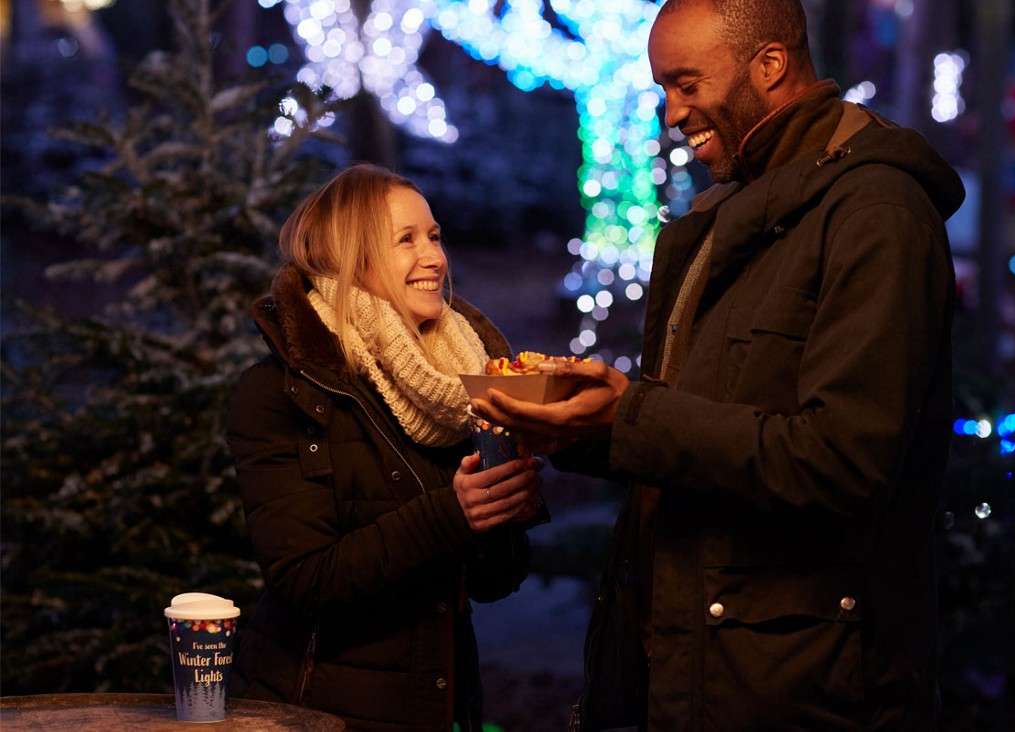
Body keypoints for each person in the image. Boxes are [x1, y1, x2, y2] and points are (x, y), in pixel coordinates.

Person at [471, 0, 965, 728]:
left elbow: (845, 461)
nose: (672, 113)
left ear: (770, 66)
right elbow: (710, 428)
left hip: (796, 687)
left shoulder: (875, 216)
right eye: (663, 90)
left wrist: (630, 413)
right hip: (690, 659)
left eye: (687, 84)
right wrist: (583, 427)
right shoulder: (726, 213)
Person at [227, 164, 544, 731]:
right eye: (406, 240)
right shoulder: (284, 392)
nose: (434, 258)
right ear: (354, 258)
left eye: (435, 236)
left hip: (441, 708)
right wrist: (454, 512)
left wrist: (506, 510)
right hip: (318, 713)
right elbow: (303, 579)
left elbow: (495, 583)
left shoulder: (462, 381)